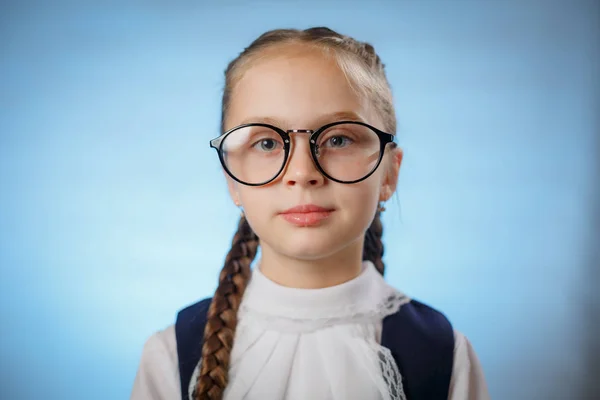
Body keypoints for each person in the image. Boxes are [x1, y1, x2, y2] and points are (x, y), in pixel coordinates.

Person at [130, 27, 490, 400]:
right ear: (231, 179)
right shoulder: (171, 356)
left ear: (389, 173)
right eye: (266, 142)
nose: (302, 173)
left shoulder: (443, 354)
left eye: (338, 139)